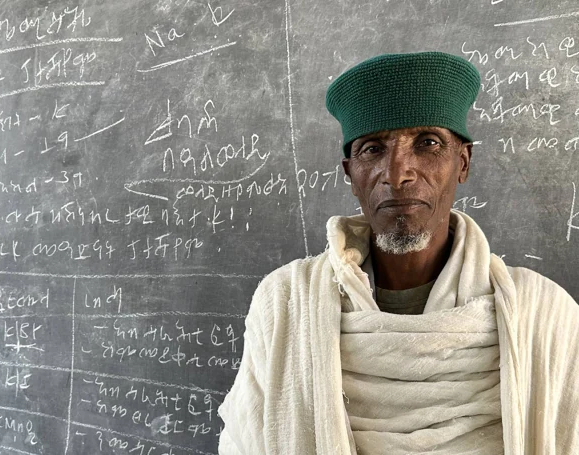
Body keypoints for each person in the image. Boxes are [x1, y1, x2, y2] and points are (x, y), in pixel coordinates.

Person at [217, 52, 579, 454]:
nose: (397, 173)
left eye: (427, 143)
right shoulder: (286, 303)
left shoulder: (543, 314)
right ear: (350, 174)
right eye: (372, 149)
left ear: (463, 162)